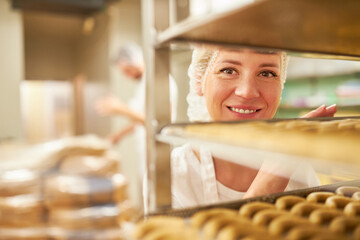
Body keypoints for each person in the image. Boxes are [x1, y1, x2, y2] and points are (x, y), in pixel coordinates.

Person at [171, 45, 337, 208]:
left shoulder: (299, 169)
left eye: (266, 73)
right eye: (228, 71)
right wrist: (269, 181)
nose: (247, 92)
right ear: (200, 80)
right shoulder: (173, 175)